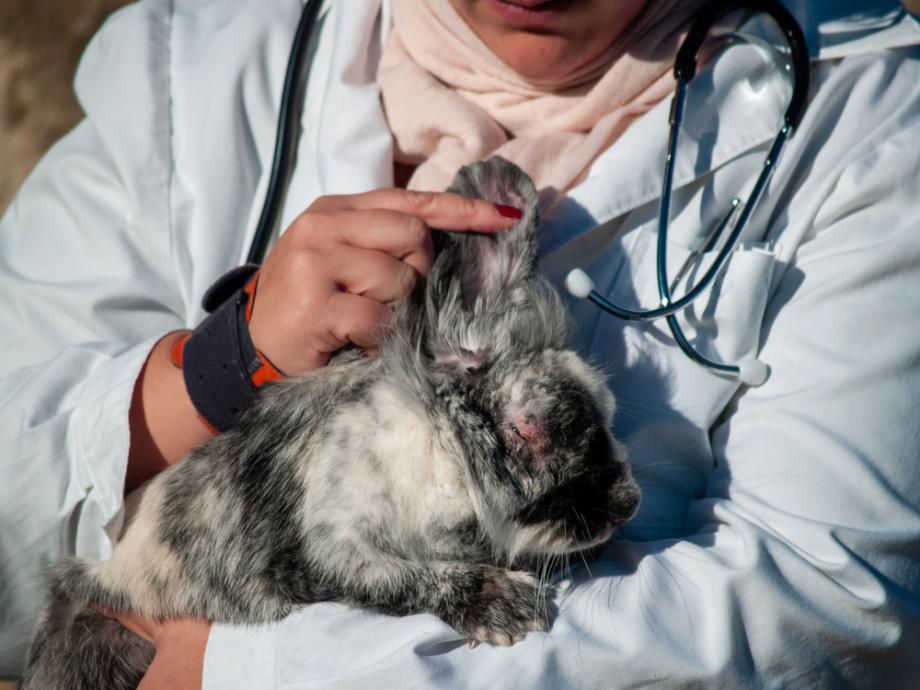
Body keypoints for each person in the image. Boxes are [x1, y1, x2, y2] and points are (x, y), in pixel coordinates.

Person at [2, 0, 920, 687]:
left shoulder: (871, 126)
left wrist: (239, 673)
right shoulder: (195, 62)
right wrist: (218, 366)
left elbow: (833, 612)